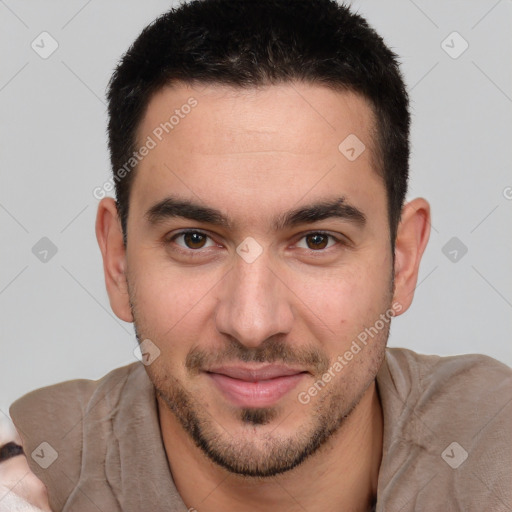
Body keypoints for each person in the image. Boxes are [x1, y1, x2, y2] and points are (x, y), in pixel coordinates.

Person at [5, 0, 511, 511]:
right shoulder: (28, 470)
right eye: (194, 240)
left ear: (402, 261)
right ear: (118, 259)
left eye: (317, 240)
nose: (251, 323)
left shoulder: (497, 447)